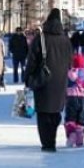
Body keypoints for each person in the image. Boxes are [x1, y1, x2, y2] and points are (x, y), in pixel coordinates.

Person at [25, 8, 73, 152]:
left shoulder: (40, 38)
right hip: (60, 81)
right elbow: (70, 61)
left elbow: (32, 60)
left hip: (43, 80)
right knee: (55, 112)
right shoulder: (66, 40)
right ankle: (51, 138)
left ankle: (48, 143)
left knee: (43, 112)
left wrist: (28, 78)